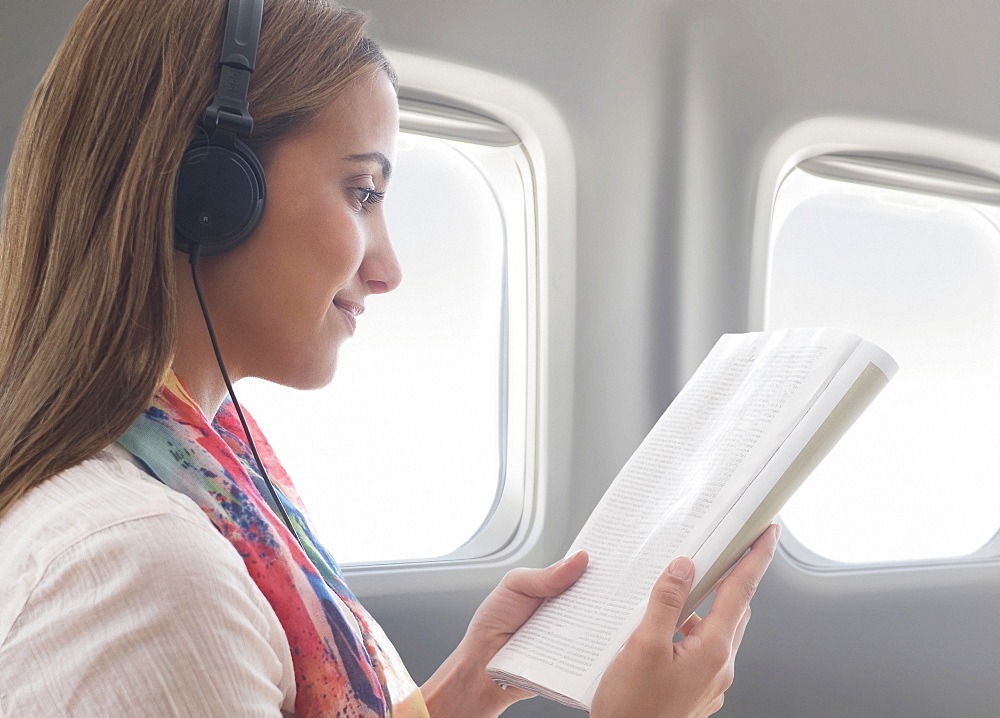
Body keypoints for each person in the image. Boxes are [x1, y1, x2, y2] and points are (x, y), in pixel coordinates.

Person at [0, 0, 778, 715]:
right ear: (208, 193)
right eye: (363, 191)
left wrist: (470, 684)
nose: (389, 268)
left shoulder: (198, 455)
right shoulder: (144, 570)